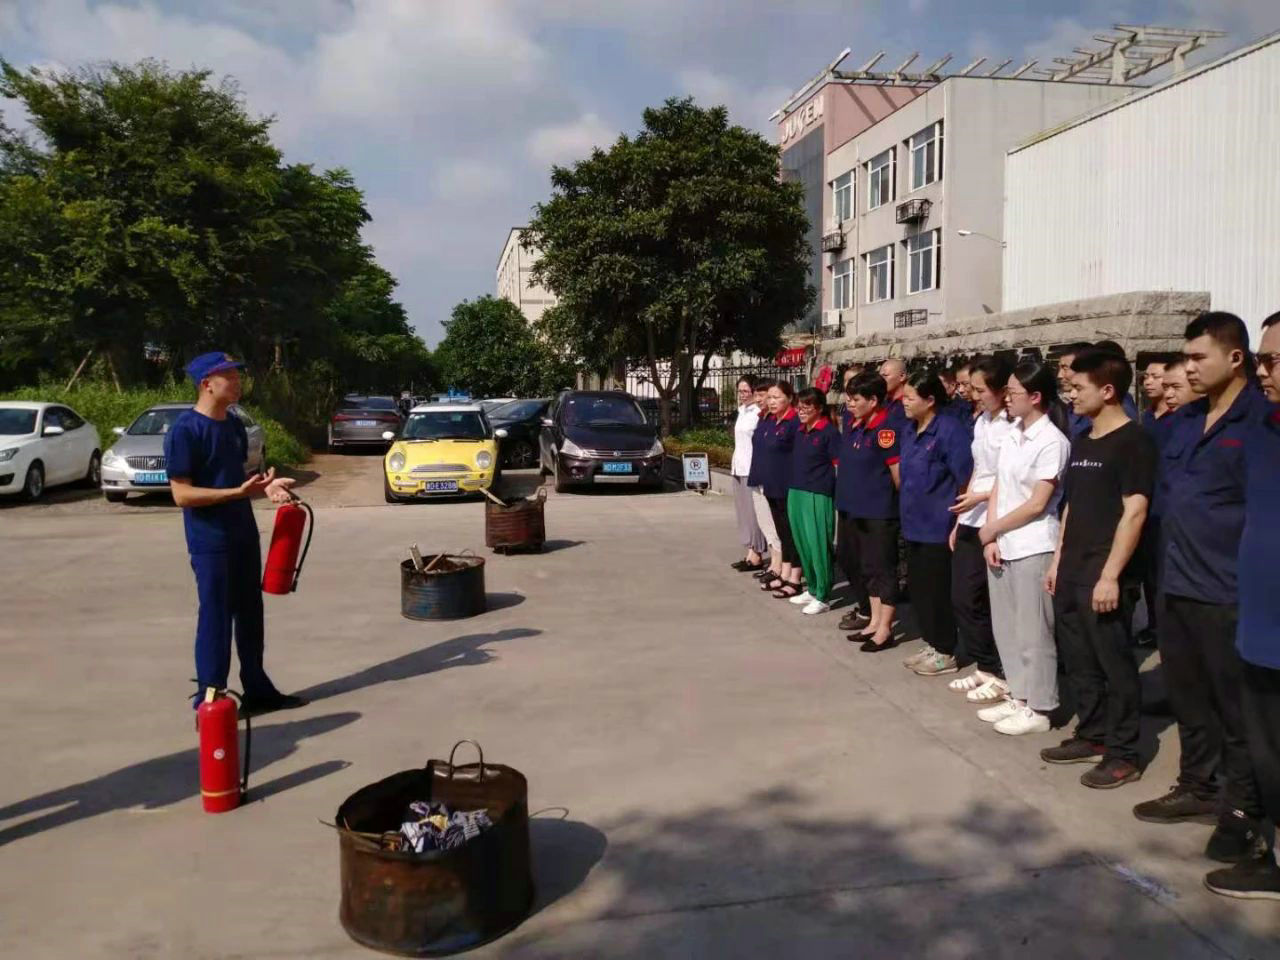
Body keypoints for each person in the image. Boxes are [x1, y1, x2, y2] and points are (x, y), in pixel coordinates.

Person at [1133, 312, 1271, 862]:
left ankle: (1241, 809)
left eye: (1197, 358)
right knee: (1189, 697)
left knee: (1235, 709)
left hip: (1228, 591)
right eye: (1185, 357)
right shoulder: (1186, 421)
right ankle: (1197, 786)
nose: (1186, 368)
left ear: (1235, 358)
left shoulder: (1261, 422)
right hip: (1177, 582)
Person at [164, 352, 305, 715]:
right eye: (229, 376)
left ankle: (258, 689)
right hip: (210, 539)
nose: (238, 383)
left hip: (243, 533)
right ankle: (211, 700)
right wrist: (234, 494)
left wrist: (268, 487)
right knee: (216, 615)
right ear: (206, 384)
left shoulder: (234, 425)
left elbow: (241, 478)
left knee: (250, 613)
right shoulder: (185, 430)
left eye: (238, 376)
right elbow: (182, 495)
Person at [1045, 348, 1155, 788]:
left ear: (1108, 390)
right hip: (1072, 569)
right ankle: (1092, 734)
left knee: (1114, 664)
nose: (1070, 395)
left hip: (1106, 574)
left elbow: (1135, 512)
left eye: (1078, 388)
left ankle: (1124, 753)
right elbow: (1071, 506)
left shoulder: (1135, 442)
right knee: (1079, 660)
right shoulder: (1084, 440)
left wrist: (1110, 576)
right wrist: (1058, 560)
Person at [1206, 311, 1280, 899]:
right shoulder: (1263, 429)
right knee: (1269, 756)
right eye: (1261, 360)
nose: (1263, 371)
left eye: (1273, 361)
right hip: (1257, 627)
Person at [977, 359, 1072, 735]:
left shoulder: (1052, 442)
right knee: (1007, 628)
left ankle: (1041, 706)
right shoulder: (1013, 434)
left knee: (1035, 632)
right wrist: (992, 535)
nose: (1007, 398)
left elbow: (1037, 503)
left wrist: (992, 528)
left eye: (1013, 392)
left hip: (1033, 544)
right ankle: (1019, 694)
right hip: (1003, 542)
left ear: (1035, 397)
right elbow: (1000, 484)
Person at [946, 356, 1014, 699]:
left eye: (979, 390)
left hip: (998, 517)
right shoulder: (982, 421)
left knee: (989, 600)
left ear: (1002, 390)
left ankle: (1000, 671)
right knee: (963, 597)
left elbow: (1012, 478)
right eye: (970, 388)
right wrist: (961, 519)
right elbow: (978, 468)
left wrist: (982, 498)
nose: (973, 395)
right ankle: (985, 666)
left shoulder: (1013, 426)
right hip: (972, 515)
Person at [898, 372, 974, 676]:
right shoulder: (910, 429)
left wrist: (959, 520)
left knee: (937, 590)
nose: (904, 402)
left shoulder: (949, 431)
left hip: (938, 525)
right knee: (919, 589)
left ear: (930, 400)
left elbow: (964, 478)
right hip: (912, 522)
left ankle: (946, 650)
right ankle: (931, 641)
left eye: (910, 397)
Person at [836, 373, 902, 649]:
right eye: (849, 399)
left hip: (878, 512)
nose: (850, 404)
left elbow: (897, 473)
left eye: (856, 399)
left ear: (873, 400)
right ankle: (873, 621)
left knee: (881, 568)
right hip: (853, 509)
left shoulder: (885, 430)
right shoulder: (855, 425)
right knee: (865, 567)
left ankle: (885, 628)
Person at [786, 388, 840, 615]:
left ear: (819, 408)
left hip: (817, 493)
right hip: (796, 490)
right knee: (803, 543)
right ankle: (812, 586)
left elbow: (838, 466)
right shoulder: (800, 431)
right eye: (799, 406)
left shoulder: (829, 432)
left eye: (807, 407)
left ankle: (823, 594)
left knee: (817, 543)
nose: (801, 411)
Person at [755, 382, 804, 599]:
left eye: (777, 397)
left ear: (790, 398)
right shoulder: (772, 421)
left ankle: (795, 577)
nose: (772, 402)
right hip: (772, 485)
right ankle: (784, 572)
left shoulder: (794, 422)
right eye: (770, 398)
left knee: (792, 533)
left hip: (788, 486)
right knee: (782, 532)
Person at [729, 376, 768, 573]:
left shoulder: (758, 414)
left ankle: (757, 553)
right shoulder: (742, 411)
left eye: (746, 391)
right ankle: (749, 550)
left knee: (754, 514)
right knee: (743, 512)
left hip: (751, 468)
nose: (742, 395)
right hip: (738, 466)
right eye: (740, 391)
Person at [747, 380, 783, 587]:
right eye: (759, 395)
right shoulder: (762, 419)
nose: (761, 400)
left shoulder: (777, 420)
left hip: (773, 481)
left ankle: (778, 565)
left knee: (775, 525)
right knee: (765, 524)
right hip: (758, 476)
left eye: (766, 396)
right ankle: (774, 563)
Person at [1141, 357, 1171, 427]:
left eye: (1155, 377)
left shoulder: (1180, 415)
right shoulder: (1147, 414)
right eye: (1146, 377)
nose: (1147, 382)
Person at [879, 357, 909, 428]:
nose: (880, 380)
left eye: (885, 375)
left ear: (902, 376)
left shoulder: (909, 403)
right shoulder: (881, 403)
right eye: (880, 376)